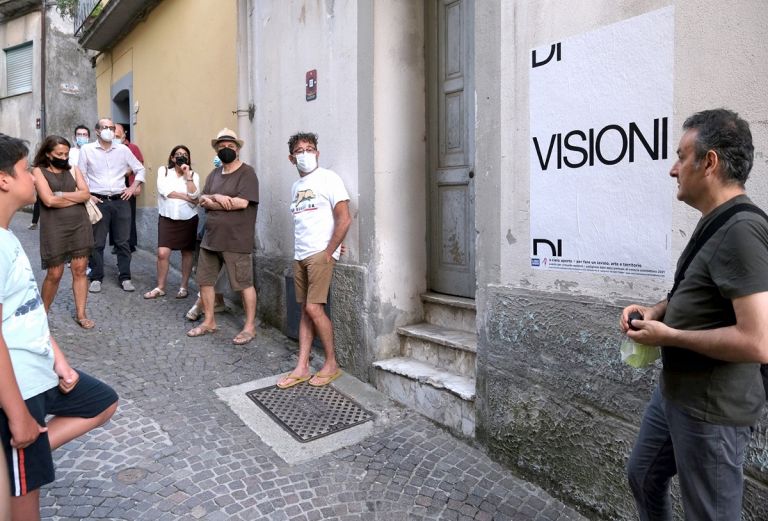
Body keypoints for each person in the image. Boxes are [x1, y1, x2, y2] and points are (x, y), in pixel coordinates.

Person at [621, 109, 768, 520]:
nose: (673, 169)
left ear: (710, 162)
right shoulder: (713, 221)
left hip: (712, 413)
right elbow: (695, 289)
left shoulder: (742, 231)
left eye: (681, 156)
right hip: (675, 394)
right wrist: (653, 311)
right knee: (644, 476)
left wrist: (668, 336)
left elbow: (758, 341)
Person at [0, 132, 118, 521]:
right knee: (23, 509)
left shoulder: (9, 237)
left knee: (102, 400)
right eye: (23, 171)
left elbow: (28, 310)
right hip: (19, 385)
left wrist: (60, 360)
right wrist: (17, 415)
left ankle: (19, 455)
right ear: (4, 180)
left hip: (39, 372)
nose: (33, 178)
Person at [277, 132, 351, 389]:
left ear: (318, 153)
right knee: (305, 312)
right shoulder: (296, 187)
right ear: (291, 158)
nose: (305, 153)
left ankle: (331, 363)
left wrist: (330, 250)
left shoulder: (329, 178)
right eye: (300, 150)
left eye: (310, 149)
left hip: (320, 253)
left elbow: (344, 218)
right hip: (301, 254)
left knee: (313, 308)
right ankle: (302, 366)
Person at [186, 129, 259, 345]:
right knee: (204, 281)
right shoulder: (213, 175)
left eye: (230, 146)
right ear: (217, 150)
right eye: (222, 147)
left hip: (236, 239)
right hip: (211, 238)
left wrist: (215, 201)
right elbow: (203, 199)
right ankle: (209, 321)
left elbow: (241, 203)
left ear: (237, 149)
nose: (226, 149)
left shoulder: (247, 173)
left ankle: (249, 327)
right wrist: (218, 197)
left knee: (244, 283)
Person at [31, 136, 95, 329]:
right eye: (59, 154)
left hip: (79, 225)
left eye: (66, 154)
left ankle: (81, 314)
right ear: (48, 153)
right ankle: (41, 315)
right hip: (54, 227)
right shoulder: (38, 171)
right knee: (55, 273)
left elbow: (86, 193)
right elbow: (48, 201)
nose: (64, 157)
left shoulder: (74, 170)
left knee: (80, 270)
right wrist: (74, 198)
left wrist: (62, 195)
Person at [77, 118, 145, 293]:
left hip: (120, 200)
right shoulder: (87, 150)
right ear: (98, 131)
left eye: (112, 128)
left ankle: (125, 277)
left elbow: (140, 169)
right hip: (98, 201)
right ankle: (96, 277)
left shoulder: (123, 150)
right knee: (97, 242)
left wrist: (132, 187)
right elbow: (81, 175)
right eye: (105, 127)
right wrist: (88, 196)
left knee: (123, 241)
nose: (109, 130)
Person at [144, 145, 200, 300]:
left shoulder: (194, 175)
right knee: (163, 253)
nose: (181, 157)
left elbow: (195, 194)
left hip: (188, 218)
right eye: (178, 154)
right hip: (167, 217)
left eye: (184, 155)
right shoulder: (164, 171)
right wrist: (188, 198)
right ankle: (160, 287)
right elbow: (164, 190)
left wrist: (187, 175)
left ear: (188, 159)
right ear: (172, 157)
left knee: (187, 253)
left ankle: (184, 287)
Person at [113, 124, 143, 253]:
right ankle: (116, 244)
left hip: (128, 187)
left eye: (117, 136)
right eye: (113, 135)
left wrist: (136, 186)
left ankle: (130, 244)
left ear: (124, 134)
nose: (115, 137)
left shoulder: (132, 148)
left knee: (128, 217)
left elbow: (139, 165)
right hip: (113, 189)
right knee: (115, 218)